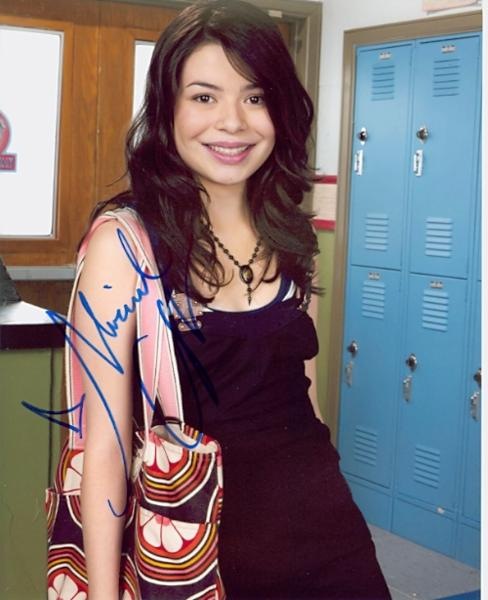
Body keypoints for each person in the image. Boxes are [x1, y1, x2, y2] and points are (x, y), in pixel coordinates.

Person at [75, 0, 391, 597]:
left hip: (330, 538)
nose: (233, 122)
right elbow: (106, 450)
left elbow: (305, 396)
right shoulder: (127, 245)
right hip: (196, 552)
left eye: (255, 97)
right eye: (204, 96)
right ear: (166, 108)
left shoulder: (293, 234)